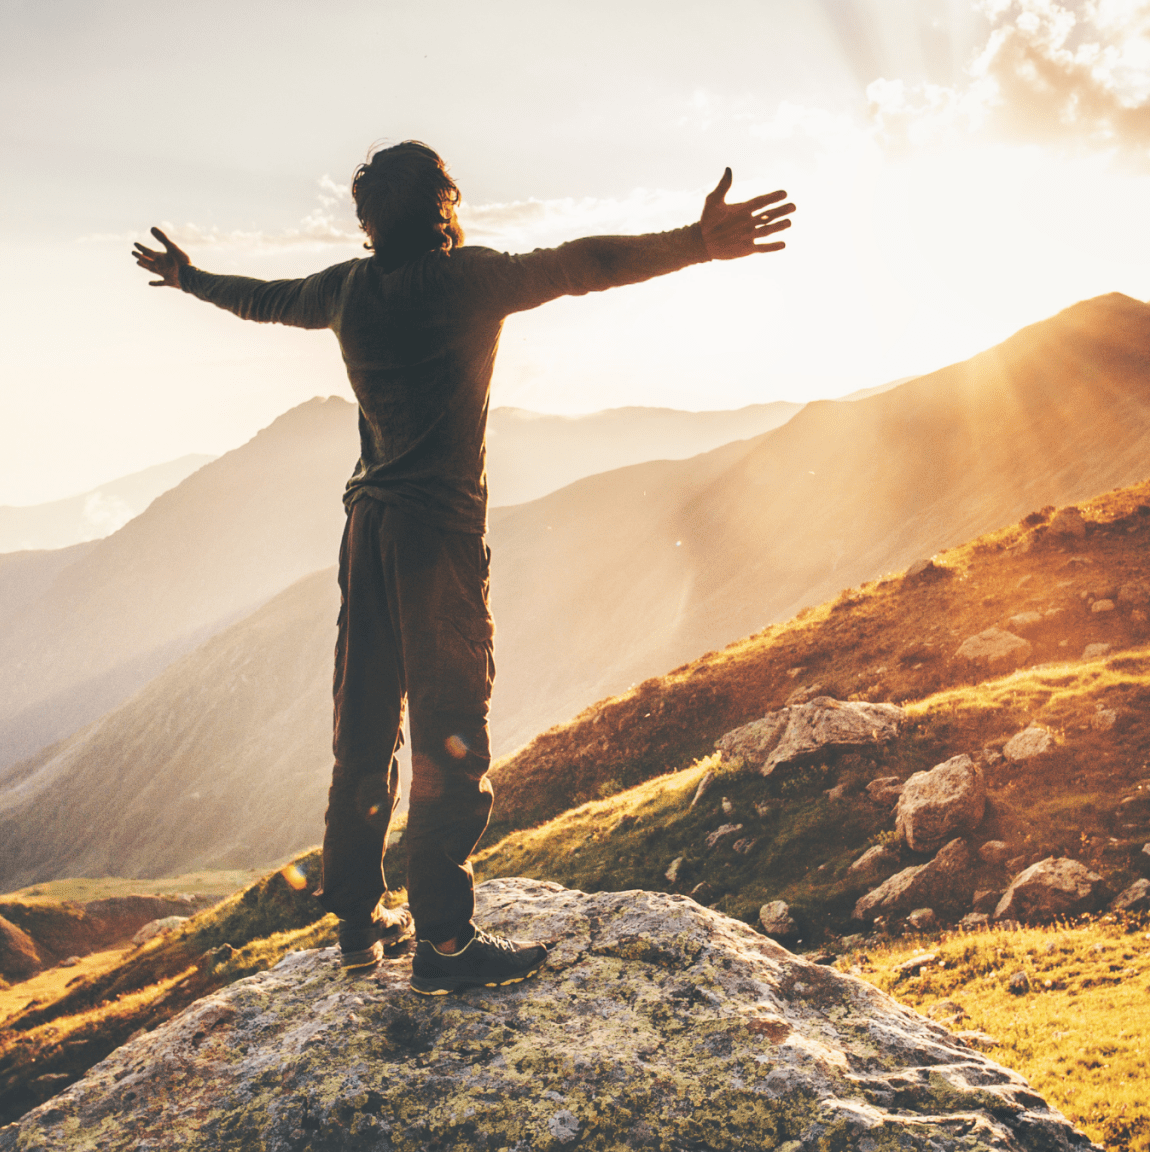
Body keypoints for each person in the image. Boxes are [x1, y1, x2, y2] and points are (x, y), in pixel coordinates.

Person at [133, 141, 794, 995]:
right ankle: (444, 946)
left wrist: (190, 279)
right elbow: (582, 264)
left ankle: (356, 930)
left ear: (370, 222)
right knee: (450, 724)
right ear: (443, 201)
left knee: (363, 722)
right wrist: (697, 244)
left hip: (364, 528)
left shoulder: (345, 289)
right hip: (433, 536)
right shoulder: (465, 280)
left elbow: (264, 300)